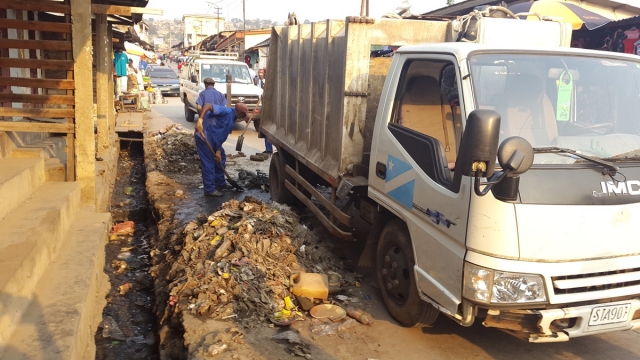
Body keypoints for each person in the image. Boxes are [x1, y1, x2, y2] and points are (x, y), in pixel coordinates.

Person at [195, 102, 249, 197]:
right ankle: (209, 190)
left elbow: (222, 136)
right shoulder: (226, 111)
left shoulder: (233, 119)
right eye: (243, 115)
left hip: (215, 142)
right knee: (209, 164)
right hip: (204, 137)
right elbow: (208, 105)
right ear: (239, 112)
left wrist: (218, 151)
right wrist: (200, 120)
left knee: (221, 157)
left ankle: (220, 183)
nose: (243, 117)